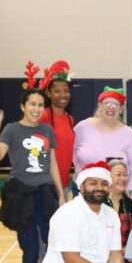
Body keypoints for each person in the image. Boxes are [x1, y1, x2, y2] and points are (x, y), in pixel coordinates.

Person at [0, 88, 65, 263]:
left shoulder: (47, 130)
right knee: (30, 248)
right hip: (22, 196)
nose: (36, 109)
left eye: (40, 105)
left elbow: (53, 164)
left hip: (46, 195)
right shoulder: (11, 130)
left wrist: (62, 195)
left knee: (51, 245)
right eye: (32, 104)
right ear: (22, 106)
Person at [73, 87, 132, 205]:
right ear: (100, 106)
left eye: (115, 104)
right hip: (84, 190)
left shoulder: (127, 133)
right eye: (107, 103)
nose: (111, 107)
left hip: (116, 194)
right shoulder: (82, 127)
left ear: (121, 109)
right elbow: (72, 154)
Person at [39, 60, 76, 196]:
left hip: (64, 183)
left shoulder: (69, 119)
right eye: (57, 91)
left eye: (66, 91)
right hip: (46, 183)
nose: (63, 95)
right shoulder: (44, 115)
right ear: (48, 93)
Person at [105, 158, 132, 251]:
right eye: (118, 175)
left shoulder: (128, 202)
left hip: (126, 254)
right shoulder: (100, 202)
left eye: (125, 175)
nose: (122, 178)